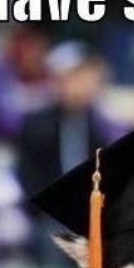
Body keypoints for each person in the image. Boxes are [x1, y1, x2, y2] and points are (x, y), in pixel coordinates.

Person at [16, 41, 111, 198]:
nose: (82, 84)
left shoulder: (99, 124)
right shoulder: (37, 125)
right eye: (74, 77)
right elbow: (30, 179)